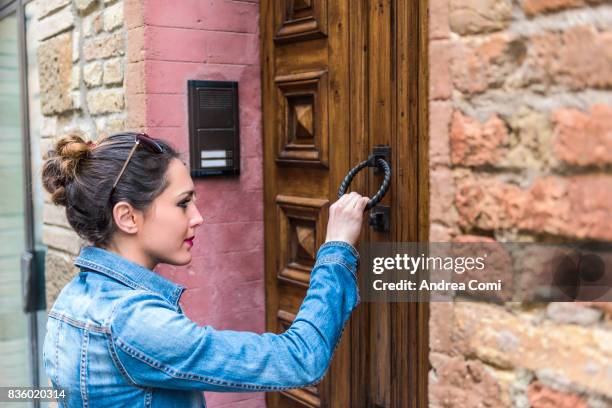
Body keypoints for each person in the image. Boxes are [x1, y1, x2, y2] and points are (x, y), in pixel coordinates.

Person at [41, 131, 369, 407]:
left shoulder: (73, 300)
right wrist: (336, 249)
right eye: (183, 203)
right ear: (127, 217)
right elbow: (299, 359)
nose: (197, 217)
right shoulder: (134, 322)